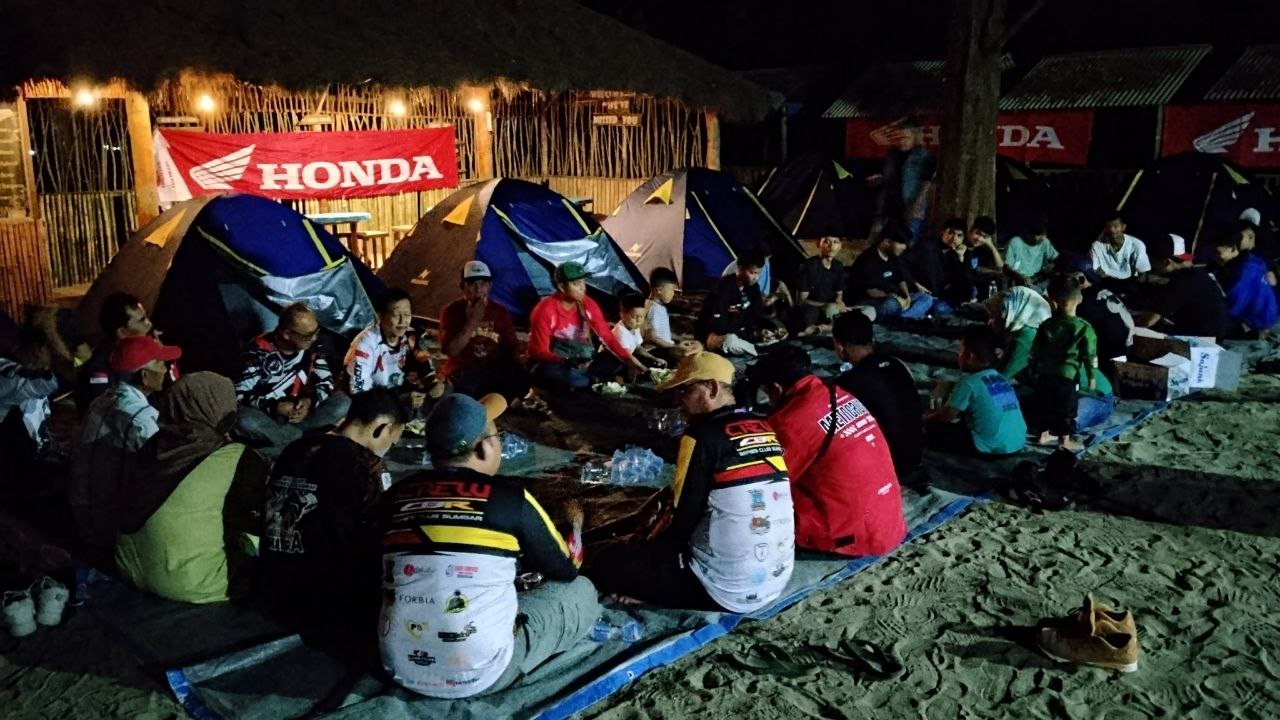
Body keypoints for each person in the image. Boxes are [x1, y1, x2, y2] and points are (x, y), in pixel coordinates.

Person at [379, 393, 599, 698]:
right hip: (479, 673)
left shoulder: (394, 497)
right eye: (498, 436)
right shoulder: (510, 498)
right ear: (485, 448)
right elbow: (565, 569)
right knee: (582, 591)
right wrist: (575, 526)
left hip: (397, 665)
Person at [590, 352, 795, 611]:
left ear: (712, 388)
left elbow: (682, 519)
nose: (678, 401)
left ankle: (657, 593)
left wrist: (648, 562)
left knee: (609, 562)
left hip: (726, 591)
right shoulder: (763, 426)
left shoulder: (700, 436)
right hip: (775, 580)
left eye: (685, 390)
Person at [255, 389, 409, 650]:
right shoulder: (367, 466)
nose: (388, 449)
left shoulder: (295, 448)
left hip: (271, 587)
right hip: (324, 601)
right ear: (381, 428)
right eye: (391, 442)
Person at [114, 373, 269, 604]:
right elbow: (260, 515)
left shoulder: (152, 446)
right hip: (189, 581)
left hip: (130, 568)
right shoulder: (235, 457)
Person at [752, 344, 906, 557]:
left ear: (776, 389)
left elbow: (764, 481)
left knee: (756, 501)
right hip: (888, 523)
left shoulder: (790, 422)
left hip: (852, 537)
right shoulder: (839, 394)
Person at [70, 335, 182, 562]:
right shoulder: (141, 418)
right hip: (112, 529)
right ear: (144, 375)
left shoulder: (100, 400)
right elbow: (162, 472)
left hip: (81, 515)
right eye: (161, 364)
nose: (165, 369)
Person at [233, 303, 350, 455]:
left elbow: (326, 380)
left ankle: (285, 446)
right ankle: (301, 444)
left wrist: (309, 402)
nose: (314, 338)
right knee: (244, 420)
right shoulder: (258, 351)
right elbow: (240, 394)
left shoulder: (311, 347)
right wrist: (275, 407)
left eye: (317, 331)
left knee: (343, 402)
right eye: (307, 335)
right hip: (268, 417)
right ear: (287, 334)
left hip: (299, 415)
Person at [526, 261, 647, 391]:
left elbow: (607, 336)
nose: (582, 288)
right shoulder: (545, 310)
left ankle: (586, 381)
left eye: (583, 282)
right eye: (576, 284)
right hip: (558, 362)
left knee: (615, 360)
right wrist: (566, 360)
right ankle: (586, 381)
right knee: (550, 372)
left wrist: (629, 360)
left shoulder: (587, 304)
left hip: (583, 360)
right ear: (562, 287)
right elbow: (538, 351)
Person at [1028, 275, 1113, 450]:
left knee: (1044, 404)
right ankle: (1064, 442)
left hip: (1045, 374)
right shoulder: (1083, 328)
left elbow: (1036, 350)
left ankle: (1043, 434)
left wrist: (1034, 369)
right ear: (1079, 299)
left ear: (1052, 302)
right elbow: (1089, 355)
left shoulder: (1046, 325)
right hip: (1067, 376)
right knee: (1066, 409)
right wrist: (1091, 377)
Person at [832, 311, 923, 475]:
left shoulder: (848, 384)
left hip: (889, 466)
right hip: (916, 455)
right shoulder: (897, 365)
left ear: (839, 346)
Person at [924, 325, 1027, 456]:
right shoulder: (1000, 378)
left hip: (989, 448)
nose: (958, 355)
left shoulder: (969, 382)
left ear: (970, 356)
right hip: (1015, 445)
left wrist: (925, 418)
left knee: (933, 428)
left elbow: (946, 416)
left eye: (960, 351)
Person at [439, 261, 530, 402]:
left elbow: (511, 347)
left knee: (519, 377)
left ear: (490, 286)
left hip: (493, 367)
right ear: (462, 286)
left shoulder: (500, 312)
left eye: (483, 284)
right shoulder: (451, 311)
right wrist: (473, 321)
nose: (478, 289)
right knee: (464, 388)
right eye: (472, 284)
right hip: (464, 369)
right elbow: (452, 351)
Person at [346, 288, 444, 414]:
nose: (403, 322)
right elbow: (359, 393)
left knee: (446, 395)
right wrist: (399, 401)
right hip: (376, 401)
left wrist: (434, 384)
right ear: (380, 316)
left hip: (402, 394)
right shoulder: (365, 344)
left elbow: (425, 369)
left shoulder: (412, 335)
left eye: (407, 315)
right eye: (396, 315)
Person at [1134, 234, 1228, 341]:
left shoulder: (1181, 282)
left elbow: (1148, 321)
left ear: (1166, 262)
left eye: (1152, 262)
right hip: (1212, 333)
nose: (1151, 266)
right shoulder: (1195, 274)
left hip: (1206, 340)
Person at [74, 293, 156, 411]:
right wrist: (146, 388)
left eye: (146, 316)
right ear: (122, 332)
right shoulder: (100, 367)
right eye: (142, 320)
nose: (149, 324)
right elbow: (108, 408)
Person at [1057, 253, 1134, 375]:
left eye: (1067, 278)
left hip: (1108, 361)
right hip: (1124, 352)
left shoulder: (1084, 303)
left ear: (1081, 279)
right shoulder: (1101, 291)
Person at [696, 251, 778, 356]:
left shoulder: (753, 288)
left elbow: (757, 314)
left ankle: (758, 346)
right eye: (752, 273)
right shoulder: (722, 289)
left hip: (743, 331)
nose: (756, 278)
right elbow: (719, 325)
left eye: (758, 273)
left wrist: (772, 328)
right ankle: (759, 349)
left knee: (776, 330)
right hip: (717, 334)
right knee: (730, 341)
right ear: (740, 268)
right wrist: (747, 333)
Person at [846, 223, 935, 320]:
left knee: (926, 298)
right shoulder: (868, 260)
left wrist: (907, 297)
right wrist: (896, 299)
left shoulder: (894, 257)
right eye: (900, 243)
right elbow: (870, 291)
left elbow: (900, 279)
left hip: (893, 298)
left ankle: (902, 317)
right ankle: (904, 316)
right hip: (868, 301)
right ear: (887, 241)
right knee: (891, 305)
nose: (904, 247)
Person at [871, 118, 935, 245]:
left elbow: (927, 183)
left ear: (915, 136)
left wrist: (917, 204)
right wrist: (879, 179)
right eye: (898, 138)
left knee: (907, 244)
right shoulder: (892, 155)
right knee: (877, 243)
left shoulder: (923, 156)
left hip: (910, 208)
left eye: (905, 138)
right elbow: (890, 178)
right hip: (888, 207)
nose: (901, 141)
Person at [1209, 231, 1278, 337]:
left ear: (1233, 249)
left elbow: (1232, 309)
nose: (1214, 256)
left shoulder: (1244, 274)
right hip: (1266, 311)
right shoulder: (1252, 259)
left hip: (1257, 321)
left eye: (1217, 252)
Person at [987, 286, 1052, 382]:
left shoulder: (1025, 336)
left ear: (1011, 312)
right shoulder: (1028, 328)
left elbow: (1001, 377)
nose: (990, 321)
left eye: (994, 315)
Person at [905, 217, 970, 311]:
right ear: (942, 232)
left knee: (941, 308)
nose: (954, 238)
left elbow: (964, 285)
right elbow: (903, 264)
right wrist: (915, 284)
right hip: (919, 293)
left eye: (959, 236)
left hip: (939, 298)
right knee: (927, 302)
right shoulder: (926, 246)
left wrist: (960, 258)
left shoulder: (956, 255)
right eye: (950, 233)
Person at [644, 267, 701, 364]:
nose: (673, 294)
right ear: (658, 290)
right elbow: (653, 337)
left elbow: (662, 333)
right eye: (672, 290)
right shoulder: (653, 309)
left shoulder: (660, 308)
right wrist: (675, 347)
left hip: (666, 347)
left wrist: (679, 340)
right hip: (656, 351)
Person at [793, 236, 848, 335]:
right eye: (827, 242)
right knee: (811, 314)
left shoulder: (838, 266)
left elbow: (839, 293)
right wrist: (825, 305)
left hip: (831, 307)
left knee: (868, 311)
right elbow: (802, 300)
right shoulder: (809, 266)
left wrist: (839, 301)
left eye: (835, 242)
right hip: (813, 307)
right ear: (819, 244)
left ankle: (826, 328)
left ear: (840, 246)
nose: (831, 246)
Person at [610, 293, 668, 374]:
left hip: (625, 360)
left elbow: (637, 347)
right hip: (612, 365)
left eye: (642, 317)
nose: (639, 321)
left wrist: (654, 358)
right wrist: (645, 369)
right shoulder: (620, 333)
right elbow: (628, 356)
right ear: (622, 315)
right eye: (634, 317)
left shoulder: (634, 327)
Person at [1090, 214, 1151, 287]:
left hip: (1130, 282)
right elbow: (1096, 268)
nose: (1111, 229)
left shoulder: (1137, 245)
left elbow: (1143, 273)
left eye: (1115, 226)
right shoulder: (1097, 245)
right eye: (1108, 226)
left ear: (1123, 227)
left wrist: (1135, 287)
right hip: (1107, 281)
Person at [1004, 220, 1060, 287]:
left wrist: (1051, 265)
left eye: (1044, 235)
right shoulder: (1015, 242)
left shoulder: (1045, 242)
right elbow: (1006, 268)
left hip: (1038, 279)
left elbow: (1056, 258)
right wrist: (1020, 278)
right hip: (1020, 281)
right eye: (1038, 235)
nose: (1042, 238)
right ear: (1028, 234)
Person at [965, 216, 1005, 297]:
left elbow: (1000, 267)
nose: (979, 239)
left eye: (984, 237)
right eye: (977, 233)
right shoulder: (961, 245)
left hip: (980, 289)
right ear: (970, 231)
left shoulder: (981, 249)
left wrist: (992, 247)